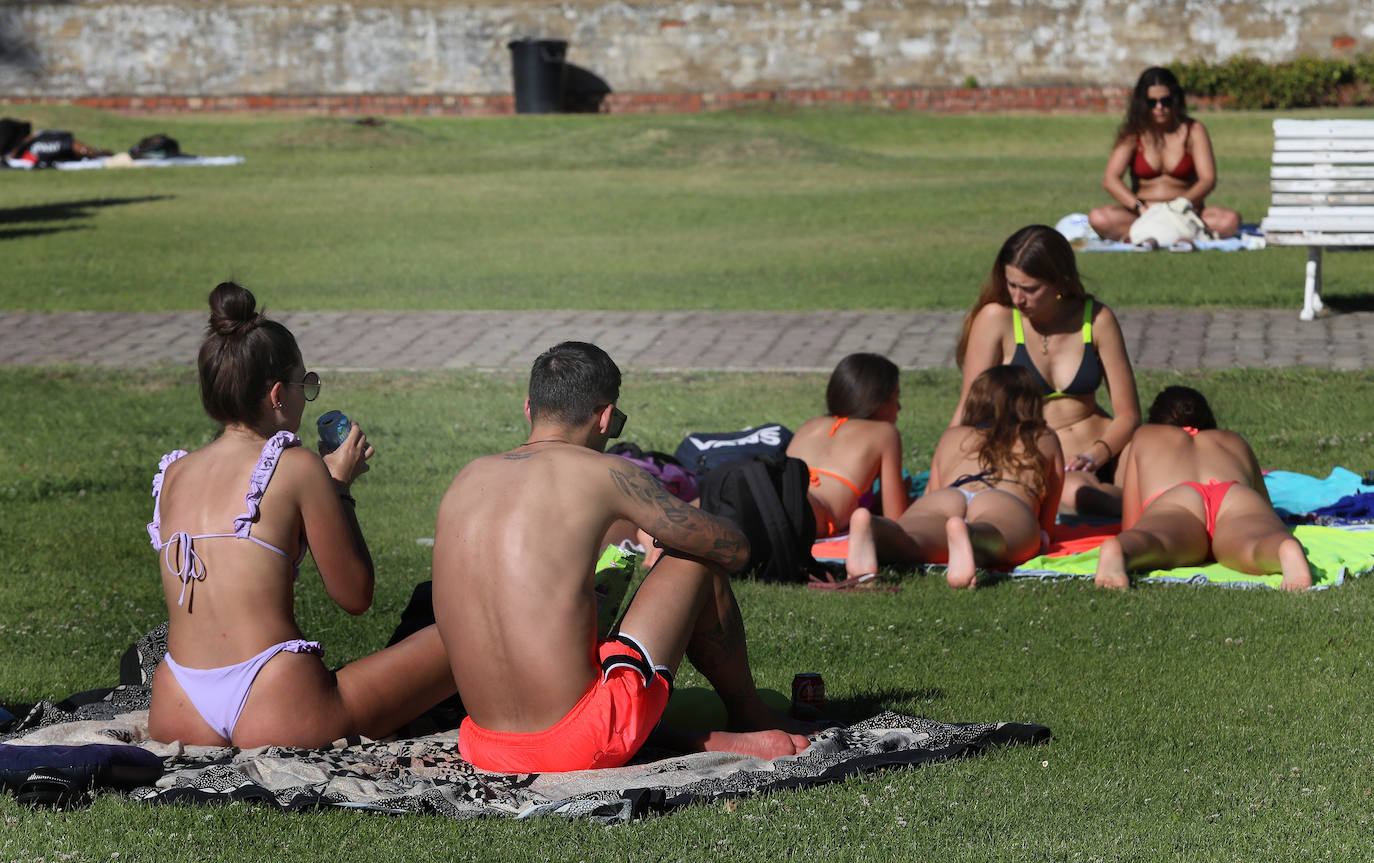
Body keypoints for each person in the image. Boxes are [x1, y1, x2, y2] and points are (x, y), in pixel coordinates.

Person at [432, 341, 813, 774]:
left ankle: (683, 739)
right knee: (695, 562)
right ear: (606, 417)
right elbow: (731, 549)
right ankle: (751, 712)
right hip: (577, 745)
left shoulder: (466, 478)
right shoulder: (606, 473)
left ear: (528, 408)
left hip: (484, 745)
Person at [148, 282, 455, 748]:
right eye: (304, 384)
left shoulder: (173, 473)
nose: (305, 395)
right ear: (277, 394)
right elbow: (355, 595)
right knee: (471, 634)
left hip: (177, 704)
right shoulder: (296, 467)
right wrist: (339, 491)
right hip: (275, 698)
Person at [953, 225, 1139, 515]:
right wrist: (947, 464)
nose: (1017, 298)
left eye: (1029, 289)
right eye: (1011, 284)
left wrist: (1097, 454)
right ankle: (1144, 508)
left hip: (1105, 449)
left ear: (1061, 283)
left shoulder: (1097, 319)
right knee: (1078, 493)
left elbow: (1128, 414)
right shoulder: (996, 320)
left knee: (1156, 455)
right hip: (1046, 459)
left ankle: (1150, 505)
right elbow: (969, 408)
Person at [845, 365, 1063, 589]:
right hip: (1005, 498)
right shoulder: (1042, 435)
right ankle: (971, 535)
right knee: (1000, 539)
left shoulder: (952, 435)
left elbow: (932, 489)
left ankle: (873, 526)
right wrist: (1041, 534)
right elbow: (1047, 518)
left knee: (913, 541)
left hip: (948, 495)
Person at [1094, 386, 1311, 592]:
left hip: (1177, 499)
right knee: (1256, 542)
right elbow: (1265, 507)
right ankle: (1282, 550)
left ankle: (1121, 550)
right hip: (1235, 496)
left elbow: (1132, 521)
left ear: (1157, 419)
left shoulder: (1145, 435)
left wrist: (1133, 534)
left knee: (1155, 540)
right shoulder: (1233, 439)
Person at [1089, 66, 1241, 241]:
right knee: (1099, 217)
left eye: (1165, 101)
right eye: (1152, 102)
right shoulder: (1134, 133)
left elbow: (1208, 179)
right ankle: (1172, 236)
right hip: (1144, 213)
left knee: (1229, 220)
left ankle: (1144, 236)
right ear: (1142, 103)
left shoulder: (1194, 130)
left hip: (1185, 212)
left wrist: (1180, 205)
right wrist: (1139, 206)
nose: (1159, 107)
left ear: (1175, 100)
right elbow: (1110, 179)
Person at [784, 352, 908, 539]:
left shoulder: (811, 424)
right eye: (895, 397)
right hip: (810, 511)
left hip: (774, 489)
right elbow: (896, 520)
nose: (899, 407)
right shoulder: (884, 433)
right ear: (878, 400)